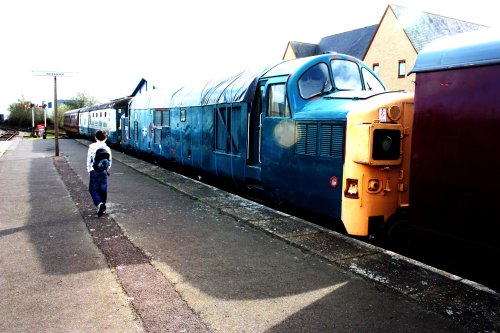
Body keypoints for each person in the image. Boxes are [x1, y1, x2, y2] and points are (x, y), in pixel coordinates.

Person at [87, 129, 112, 217]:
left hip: (94, 171)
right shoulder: (107, 148)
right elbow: (109, 161)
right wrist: (106, 170)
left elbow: (89, 160)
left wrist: (89, 170)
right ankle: (103, 207)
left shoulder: (92, 147)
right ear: (105, 138)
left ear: (95, 138)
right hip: (103, 171)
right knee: (103, 189)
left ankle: (99, 204)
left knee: (93, 189)